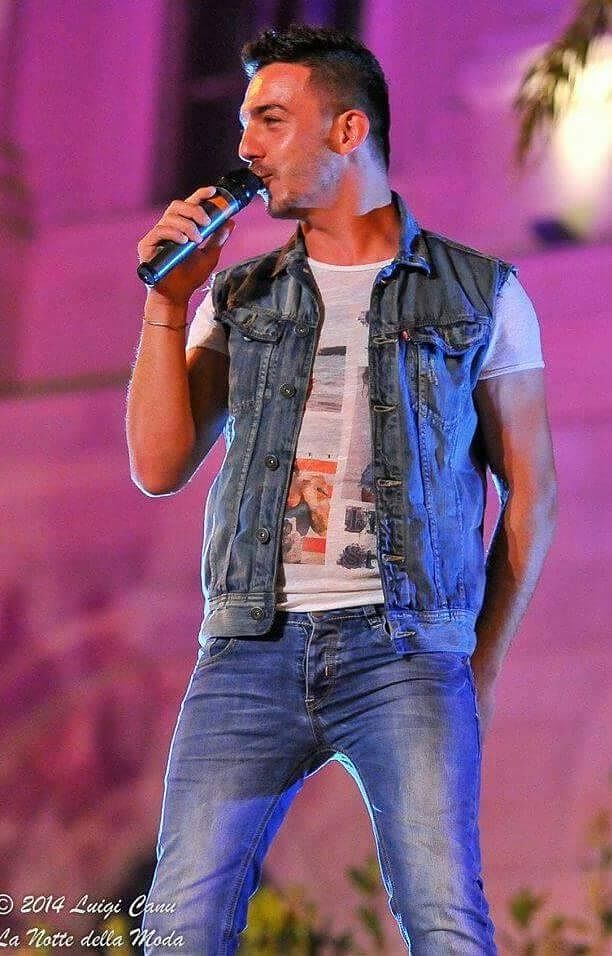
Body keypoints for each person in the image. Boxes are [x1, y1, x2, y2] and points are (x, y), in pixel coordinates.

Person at [126, 23, 557, 955]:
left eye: (271, 120)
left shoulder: (479, 293)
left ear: (348, 130)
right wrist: (167, 301)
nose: (246, 146)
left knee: (444, 922)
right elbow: (158, 468)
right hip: (248, 650)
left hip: (406, 651)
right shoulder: (238, 296)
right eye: (245, 122)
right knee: (179, 927)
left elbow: (532, 496)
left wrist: (476, 667)